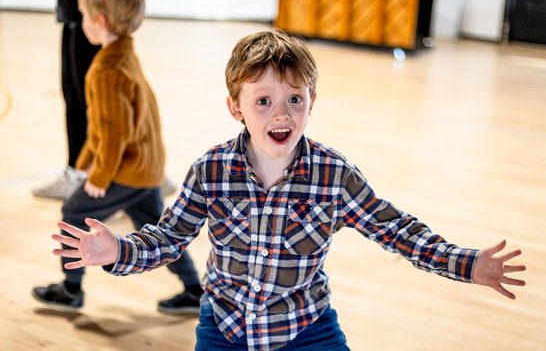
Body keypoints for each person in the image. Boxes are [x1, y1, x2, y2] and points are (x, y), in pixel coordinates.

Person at [50, 29, 526, 350]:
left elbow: (397, 230)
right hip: (225, 329)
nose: (281, 114)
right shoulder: (211, 170)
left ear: (312, 102)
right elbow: (168, 238)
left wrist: (466, 263)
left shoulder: (334, 176)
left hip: (307, 329)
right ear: (235, 107)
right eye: (263, 101)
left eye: (294, 99)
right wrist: (117, 250)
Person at [32, 0, 202, 315]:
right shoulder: (125, 54)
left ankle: (70, 289)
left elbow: (113, 133)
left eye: (82, 16)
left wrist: (99, 175)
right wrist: (84, 162)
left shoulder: (105, 71)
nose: (80, 22)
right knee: (163, 234)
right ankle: (195, 289)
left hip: (125, 171)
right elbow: (109, 129)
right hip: (147, 169)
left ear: (99, 20)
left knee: (72, 213)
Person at [32, 0, 176, 201]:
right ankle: (139, 175)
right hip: (76, 8)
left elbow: (113, 127)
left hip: (93, 3)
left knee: (95, 101)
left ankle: (109, 177)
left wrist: (99, 178)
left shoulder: (104, 51)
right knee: (80, 95)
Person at [31, 0, 99, 200]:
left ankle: (84, 176)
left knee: (88, 102)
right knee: (76, 97)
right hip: (79, 12)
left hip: (91, 10)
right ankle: (78, 172)